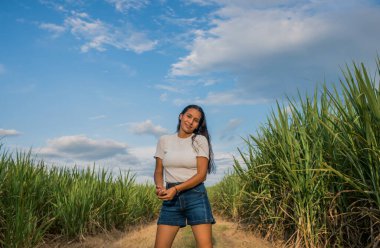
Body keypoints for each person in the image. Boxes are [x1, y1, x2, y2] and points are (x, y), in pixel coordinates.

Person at [153, 104, 216, 248]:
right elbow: (158, 171)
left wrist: (176, 189)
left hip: (196, 195)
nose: (190, 121)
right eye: (188, 116)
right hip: (171, 198)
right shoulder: (164, 140)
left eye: (196, 120)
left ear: (198, 125)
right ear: (181, 116)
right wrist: (159, 187)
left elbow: (201, 175)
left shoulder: (200, 140)